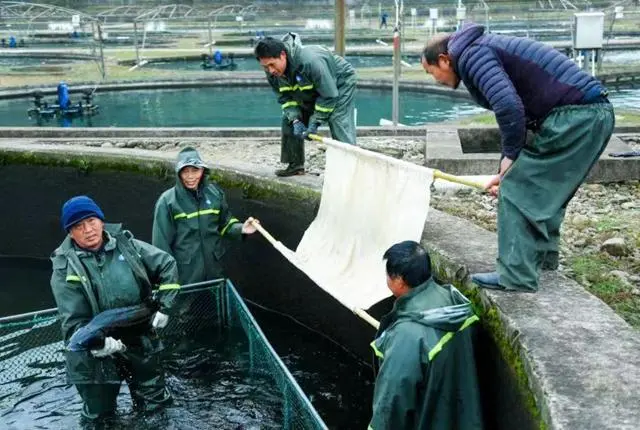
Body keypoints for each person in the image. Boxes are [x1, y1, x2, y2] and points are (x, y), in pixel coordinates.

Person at [421, 23, 614, 292]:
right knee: (544, 190)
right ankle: (544, 261)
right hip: (591, 114)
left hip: (576, 116)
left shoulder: (471, 55)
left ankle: (516, 276)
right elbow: (516, 109)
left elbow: (508, 106)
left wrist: (509, 159)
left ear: (444, 60)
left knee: (516, 189)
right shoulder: (481, 48)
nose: (436, 80)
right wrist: (506, 166)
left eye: (432, 72)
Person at [50, 195, 180, 421]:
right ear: (70, 232)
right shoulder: (63, 269)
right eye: (79, 226)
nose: (88, 229)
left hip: (138, 337)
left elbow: (167, 264)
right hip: (95, 351)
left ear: (101, 221)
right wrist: (97, 345)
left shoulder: (127, 244)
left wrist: (165, 307)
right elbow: (73, 323)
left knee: (155, 404)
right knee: (99, 415)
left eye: (91, 221)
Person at [369, 240, 483, 429]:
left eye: (388, 274)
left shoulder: (406, 337)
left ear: (399, 279)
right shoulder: (451, 301)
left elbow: (391, 404)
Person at [255, 33, 357, 177]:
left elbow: (329, 95)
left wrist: (314, 123)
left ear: (282, 55)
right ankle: (295, 165)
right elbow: (285, 98)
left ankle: (350, 170)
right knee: (288, 120)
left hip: (339, 82)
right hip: (312, 87)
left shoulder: (309, 61)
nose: (270, 70)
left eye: (272, 64)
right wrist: (296, 120)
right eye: (265, 67)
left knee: (337, 119)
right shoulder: (273, 73)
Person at [152, 147, 258, 285]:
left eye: (195, 170)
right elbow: (161, 245)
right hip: (185, 277)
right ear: (178, 174)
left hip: (215, 272)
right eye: (185, 171)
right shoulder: (167, 201)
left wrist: (241, 228)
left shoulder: (215, 194)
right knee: (184, 307)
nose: (190, 177)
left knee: (215, 305)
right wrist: (167, 281)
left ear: (202, 171)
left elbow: (224, 223)